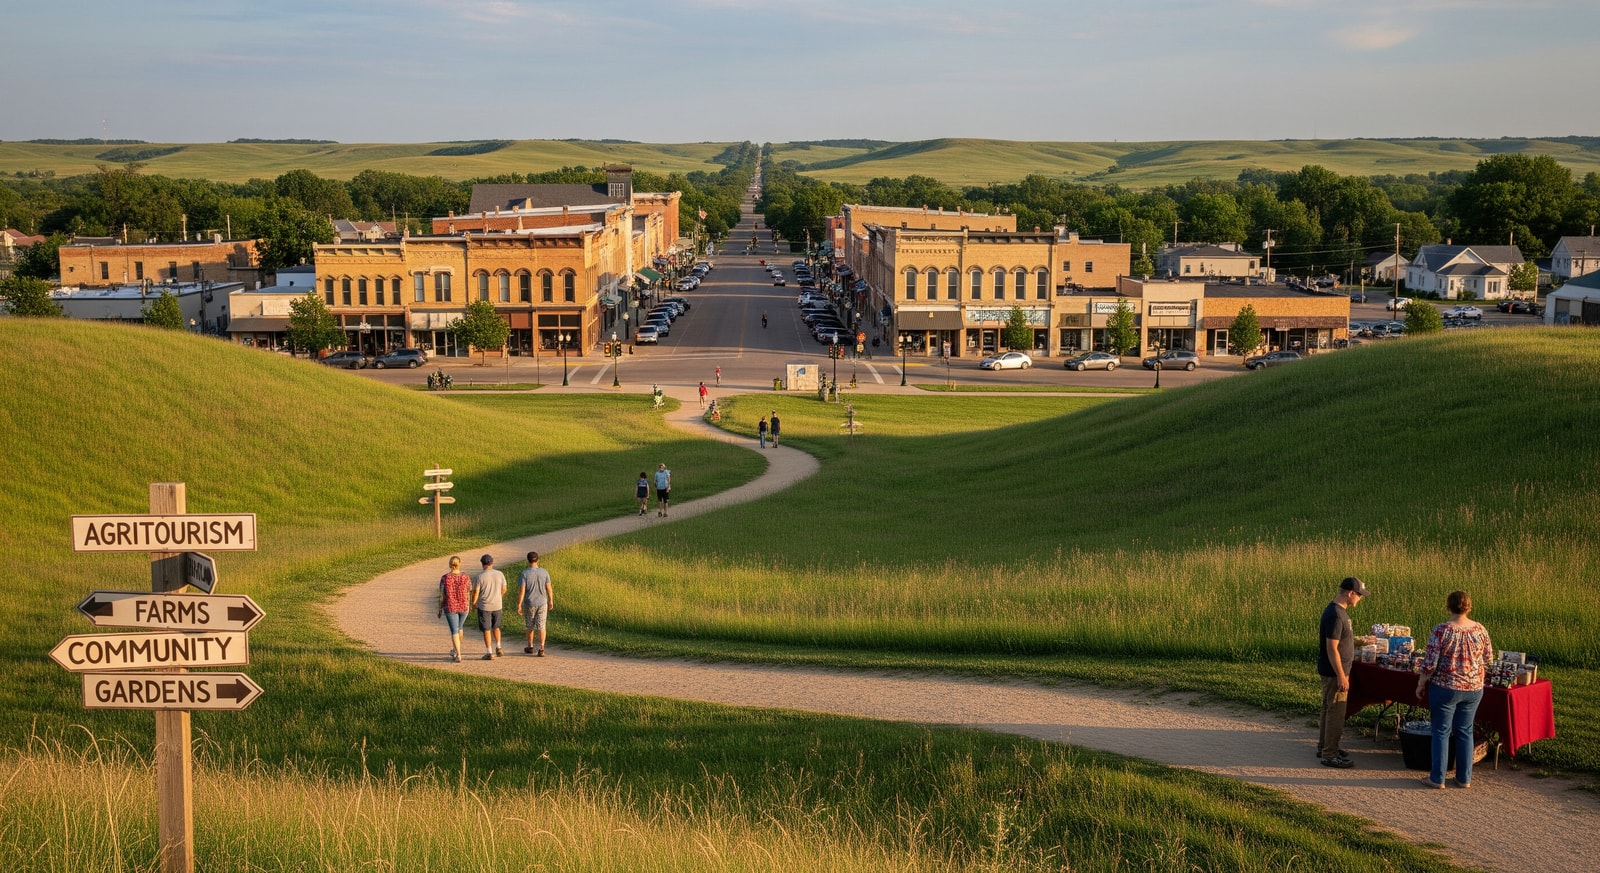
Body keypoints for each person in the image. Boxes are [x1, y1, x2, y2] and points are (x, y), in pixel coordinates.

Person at [1416, 590, 1494, 789]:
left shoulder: (1442, 630)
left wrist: (1421, 682)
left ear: (1448, 606)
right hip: (1474, 688)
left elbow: (1430, 664)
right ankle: (1464, 778)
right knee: (1465, 731)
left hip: (1446, 686)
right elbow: (1488, 659)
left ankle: (1437, 778)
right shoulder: (1480, 630)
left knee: (1441, 731)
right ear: (1469, 607)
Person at [1316, 576, 1367, 768]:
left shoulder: (1339, 612)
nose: (1360, 599)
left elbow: (1342, 640)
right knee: (1336, 712)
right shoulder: (1336, 615)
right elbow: (1332, 647)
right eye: (1359, 595)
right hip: (1334, 672)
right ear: (1350, 593)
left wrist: (1360, 642)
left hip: (1333, 670)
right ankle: (1330, 754)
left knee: (1328, 709)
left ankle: (1325, 746)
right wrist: (1341, 675)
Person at [517, 551, 555, 656]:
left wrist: (519, 604)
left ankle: (530, 646)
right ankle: (542, 648)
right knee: (541, 625)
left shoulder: (524, 574)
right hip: (542, 602)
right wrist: (551, 600)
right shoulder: (544, 572)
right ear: (538, 560)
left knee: (529, 625)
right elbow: (549, 588)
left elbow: (522, 591)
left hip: (529, 603)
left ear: (528, 561)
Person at [470, 554, 507, 660]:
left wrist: (473, 604)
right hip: (497, 605)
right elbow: (504, 588)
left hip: (484, 606)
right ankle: (499, 647)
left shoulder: (479, 577)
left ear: (482, 564)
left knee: (486, 629)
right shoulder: (500, 574)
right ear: (492, 563)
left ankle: (489, 652)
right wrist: (499, 596)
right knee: (496, 627)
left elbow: (475, 592)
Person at [436, 556, 472, 662]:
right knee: (460, 628)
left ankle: (458, 654)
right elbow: (469, 591)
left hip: (450, 606)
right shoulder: (465, 577)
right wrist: (468, 604)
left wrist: (439, 608)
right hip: (464, 605)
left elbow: (442, 595)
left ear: (449, 564)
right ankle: (456, 650)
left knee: (454, 631)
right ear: (459, 564)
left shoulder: (445, 578)